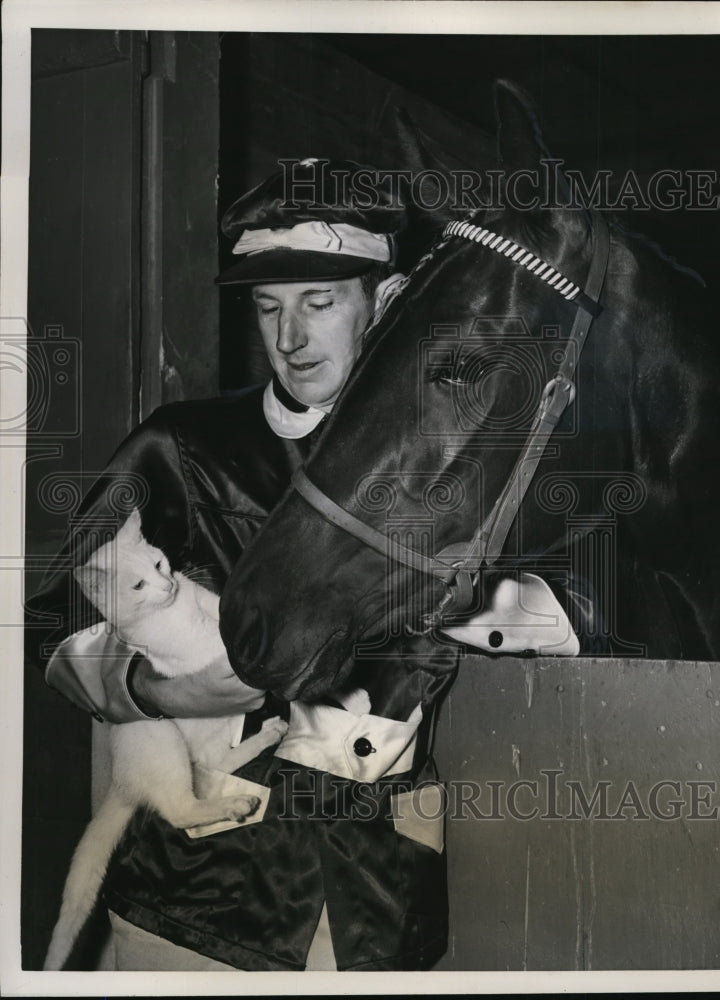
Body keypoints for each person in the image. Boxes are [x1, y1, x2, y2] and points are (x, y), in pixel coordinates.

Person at [28, 158, 594, 971]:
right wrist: (149, 686)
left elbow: (605, 586)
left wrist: (497, 607)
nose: (289, 339)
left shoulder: (469, 456)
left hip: (375, 904)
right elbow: (50, 619)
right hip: (194, 900)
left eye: (319, 305)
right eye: (268, 307)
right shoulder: (180, 445)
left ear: (388, 299)